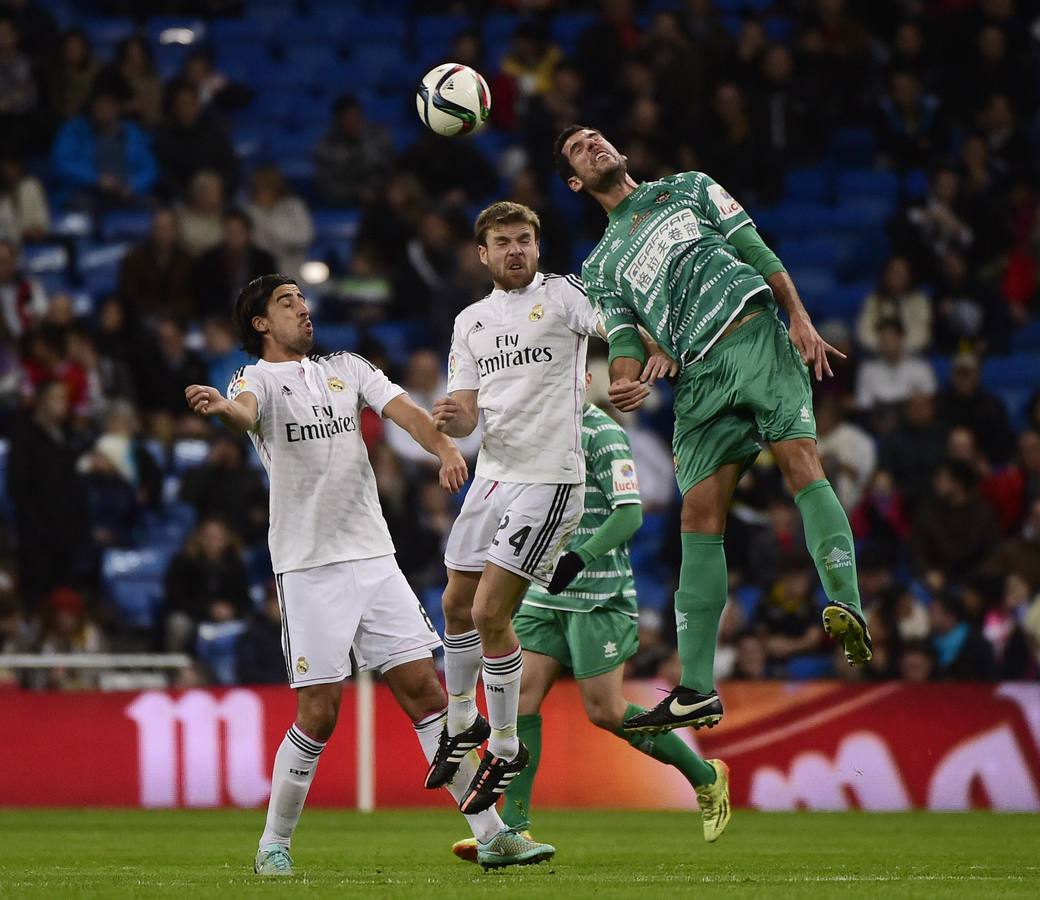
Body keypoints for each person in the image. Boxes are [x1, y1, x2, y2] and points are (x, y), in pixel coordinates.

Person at [185, 274, 553, 873]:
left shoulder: (348, 368)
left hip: (374, 559)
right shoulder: (257, 380)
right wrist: (225, 409)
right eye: (287, 303)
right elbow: (243, 413)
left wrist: (445, 447)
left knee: (426, 693)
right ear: (259, 323)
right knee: (319, 713)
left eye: (303, 301)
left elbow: (406, 412)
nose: (303, 310)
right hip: (309, 568)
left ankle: (491, 834)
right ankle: (273, 845)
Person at [553, 125, 871, 736]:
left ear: (618, 151)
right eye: (578, 150)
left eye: (597, 138)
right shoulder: (600, 267)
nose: (594, 146)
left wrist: (798, 316)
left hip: (753, 335)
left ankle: (845, 603)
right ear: (575, 181)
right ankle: (696, 687)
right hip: (697, 379)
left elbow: (757, 250)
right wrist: (624, 381)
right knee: (698, 517)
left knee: (801, 463)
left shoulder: (691, 187)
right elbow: (622, 341)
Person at [425, 201, 670, 814]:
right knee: (454, 602)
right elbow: (467, 404)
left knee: (487, 612)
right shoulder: (470, 321)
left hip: (549, 478)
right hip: (494, 475)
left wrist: (630, 368)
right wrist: (455, 419)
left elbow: (618, 327)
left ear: (538, 246)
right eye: (503, 242)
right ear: (482, 254)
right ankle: (463, 721)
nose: (515, 250)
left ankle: (506, 746)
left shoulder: (563, 297)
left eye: (525, 240)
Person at [451, 373, 730, 864]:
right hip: (543, 595)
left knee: (604, 711)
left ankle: (705, 777)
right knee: (519, 705)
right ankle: (511, 829)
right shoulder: (536, 433)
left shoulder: (603, 433)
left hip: (597, 597)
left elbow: (630, 514)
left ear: (581, 381)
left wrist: (578, 555)